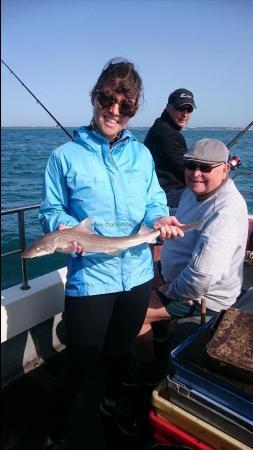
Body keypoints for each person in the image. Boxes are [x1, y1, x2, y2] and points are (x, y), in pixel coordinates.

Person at [38, 57, 184, 449]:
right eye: (108, 99)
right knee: (80, 359)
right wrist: (62, 227)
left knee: (121, 352)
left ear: (133, 110)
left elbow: (154, 200)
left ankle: (110, 401)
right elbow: (50, 211)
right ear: (96, 96)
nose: (115, 111)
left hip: (136, 275)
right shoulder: (63, 158)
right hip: (91, 280)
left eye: (126, 106)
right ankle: (55, 428)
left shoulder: (141, 156)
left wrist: (160, 220)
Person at [135, 138, 248, 369]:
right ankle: (162, 338)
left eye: (205, 167)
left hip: (203, 295)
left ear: (225, 169)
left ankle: (147, 369)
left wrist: (172, 290)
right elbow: (180, 215)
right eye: (191, 165)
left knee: (132, 314)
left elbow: (203, 277)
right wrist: (155, 219)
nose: (196, 173)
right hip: (175, 277)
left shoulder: (225, 212)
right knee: (132, 287)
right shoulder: (196, 191)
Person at [144, 88, 196, 208]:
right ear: (168, 107)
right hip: (166, 195)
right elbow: (188, 172)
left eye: (189, 109)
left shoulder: (162, 126)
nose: (185, 114)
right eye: (180, 108)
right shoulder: (167, 133)